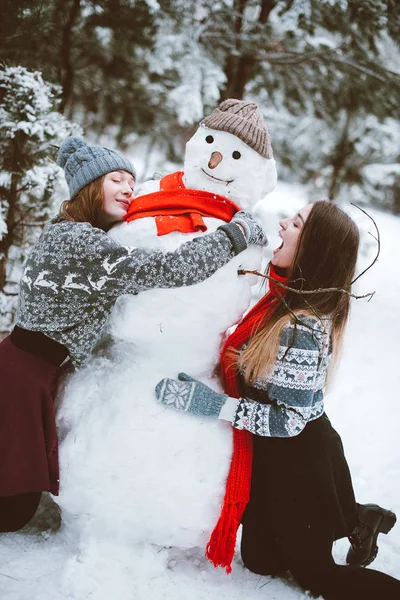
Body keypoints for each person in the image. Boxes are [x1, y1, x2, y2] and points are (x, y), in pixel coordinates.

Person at [0, 136, 267, 534]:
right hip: (23, 377)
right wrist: (235, 234)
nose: (128, 189)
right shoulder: (82, 243)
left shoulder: (69, 233)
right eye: (117, 180)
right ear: (90, 188)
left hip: (25, 366)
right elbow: (171, 270)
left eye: (132, 182)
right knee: (12, 511)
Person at [155, 200, 400, 599]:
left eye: (297, 223)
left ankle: (357, 522)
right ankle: (359, 516)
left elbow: (290, 422)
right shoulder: (282, 297)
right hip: (273, 457)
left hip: (301, 465)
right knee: (261, 561)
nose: (283, 223)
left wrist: (212, 405)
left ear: (312, 248)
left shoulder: (300, 327)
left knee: (319, 578)